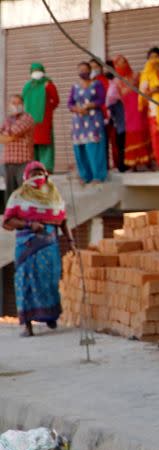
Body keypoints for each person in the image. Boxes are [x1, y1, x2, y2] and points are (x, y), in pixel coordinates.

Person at [3, 161, 73, 337]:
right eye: (33, 174)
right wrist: (29, 224)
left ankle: (50, 316)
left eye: (40, 173)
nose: (37, 177)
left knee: (49, 282)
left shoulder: (54, 196)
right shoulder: (18, 196)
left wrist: (71, 241)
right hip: (27, 247)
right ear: (26, 177)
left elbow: (63, 220)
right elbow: (8, 221)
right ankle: (27, 324)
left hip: (50, 247)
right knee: (25, 282)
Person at [68, 62, 108, 184]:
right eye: (80, 70)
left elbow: (101, 99)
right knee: (80, 149)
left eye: (85, 69)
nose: (83, 72)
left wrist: (90, 105)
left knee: (94, 148)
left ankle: (98, 175)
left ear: (90, 71)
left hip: (93, 120)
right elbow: (69, 103)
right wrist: (77, 109)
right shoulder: (75, 87)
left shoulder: (97, 84)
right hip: (78, 122)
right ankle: (85, 176)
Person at [112, 55, 150, 170]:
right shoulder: (116, 81)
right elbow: (116, 97)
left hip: (140, 108)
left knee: (143, 131)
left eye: (125, 61)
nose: (124, 64)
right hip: (128, 111)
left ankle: (147, 162)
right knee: (132, 134)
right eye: (120, 63)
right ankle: (134, 165)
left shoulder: (136, 76)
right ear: (116, 66)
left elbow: (144, 90)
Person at [21, 63, 59, 173]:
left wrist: (46, 109)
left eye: (38, 70)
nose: (36, 72)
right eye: (34, 70)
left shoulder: (48, 84)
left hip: (44, 120)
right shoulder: (28, 86)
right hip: (30, 121)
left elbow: (56, 101)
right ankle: (34, 168)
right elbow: (23, 100)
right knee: (33, 145)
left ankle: (46, 167)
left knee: (45, 144)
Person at [1, 95, 36, 207]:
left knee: (24, 191)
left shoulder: (27, 118)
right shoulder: (7, 120)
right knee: (10, 193)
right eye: (13, 103)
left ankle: (26, 216)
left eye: (18, 103)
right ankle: (11, 217)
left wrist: (7, 135)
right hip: (8, 161)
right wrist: (9, 136)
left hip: (23, 161)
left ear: (23, 105)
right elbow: (5, 137)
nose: (16, 106)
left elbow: (14, 132)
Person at [104, 59, 126, 172]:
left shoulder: (118, 81)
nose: (106, 71)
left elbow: (115, 97)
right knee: (115, 142)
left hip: (120, 113)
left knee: (121, 140)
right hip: (111, 116)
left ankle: (122, 165)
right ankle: (117, 164)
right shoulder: (108, 82)